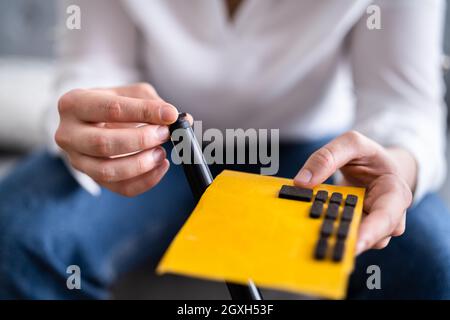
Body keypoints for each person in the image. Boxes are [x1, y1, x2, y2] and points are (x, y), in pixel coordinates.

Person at [0, 0, 449, 299]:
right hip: (161, 149)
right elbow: (94, 67)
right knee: (15, 239)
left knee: (435, 263)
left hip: (317, 155)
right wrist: (97, 129)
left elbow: (401, 103)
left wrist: (397, 165)